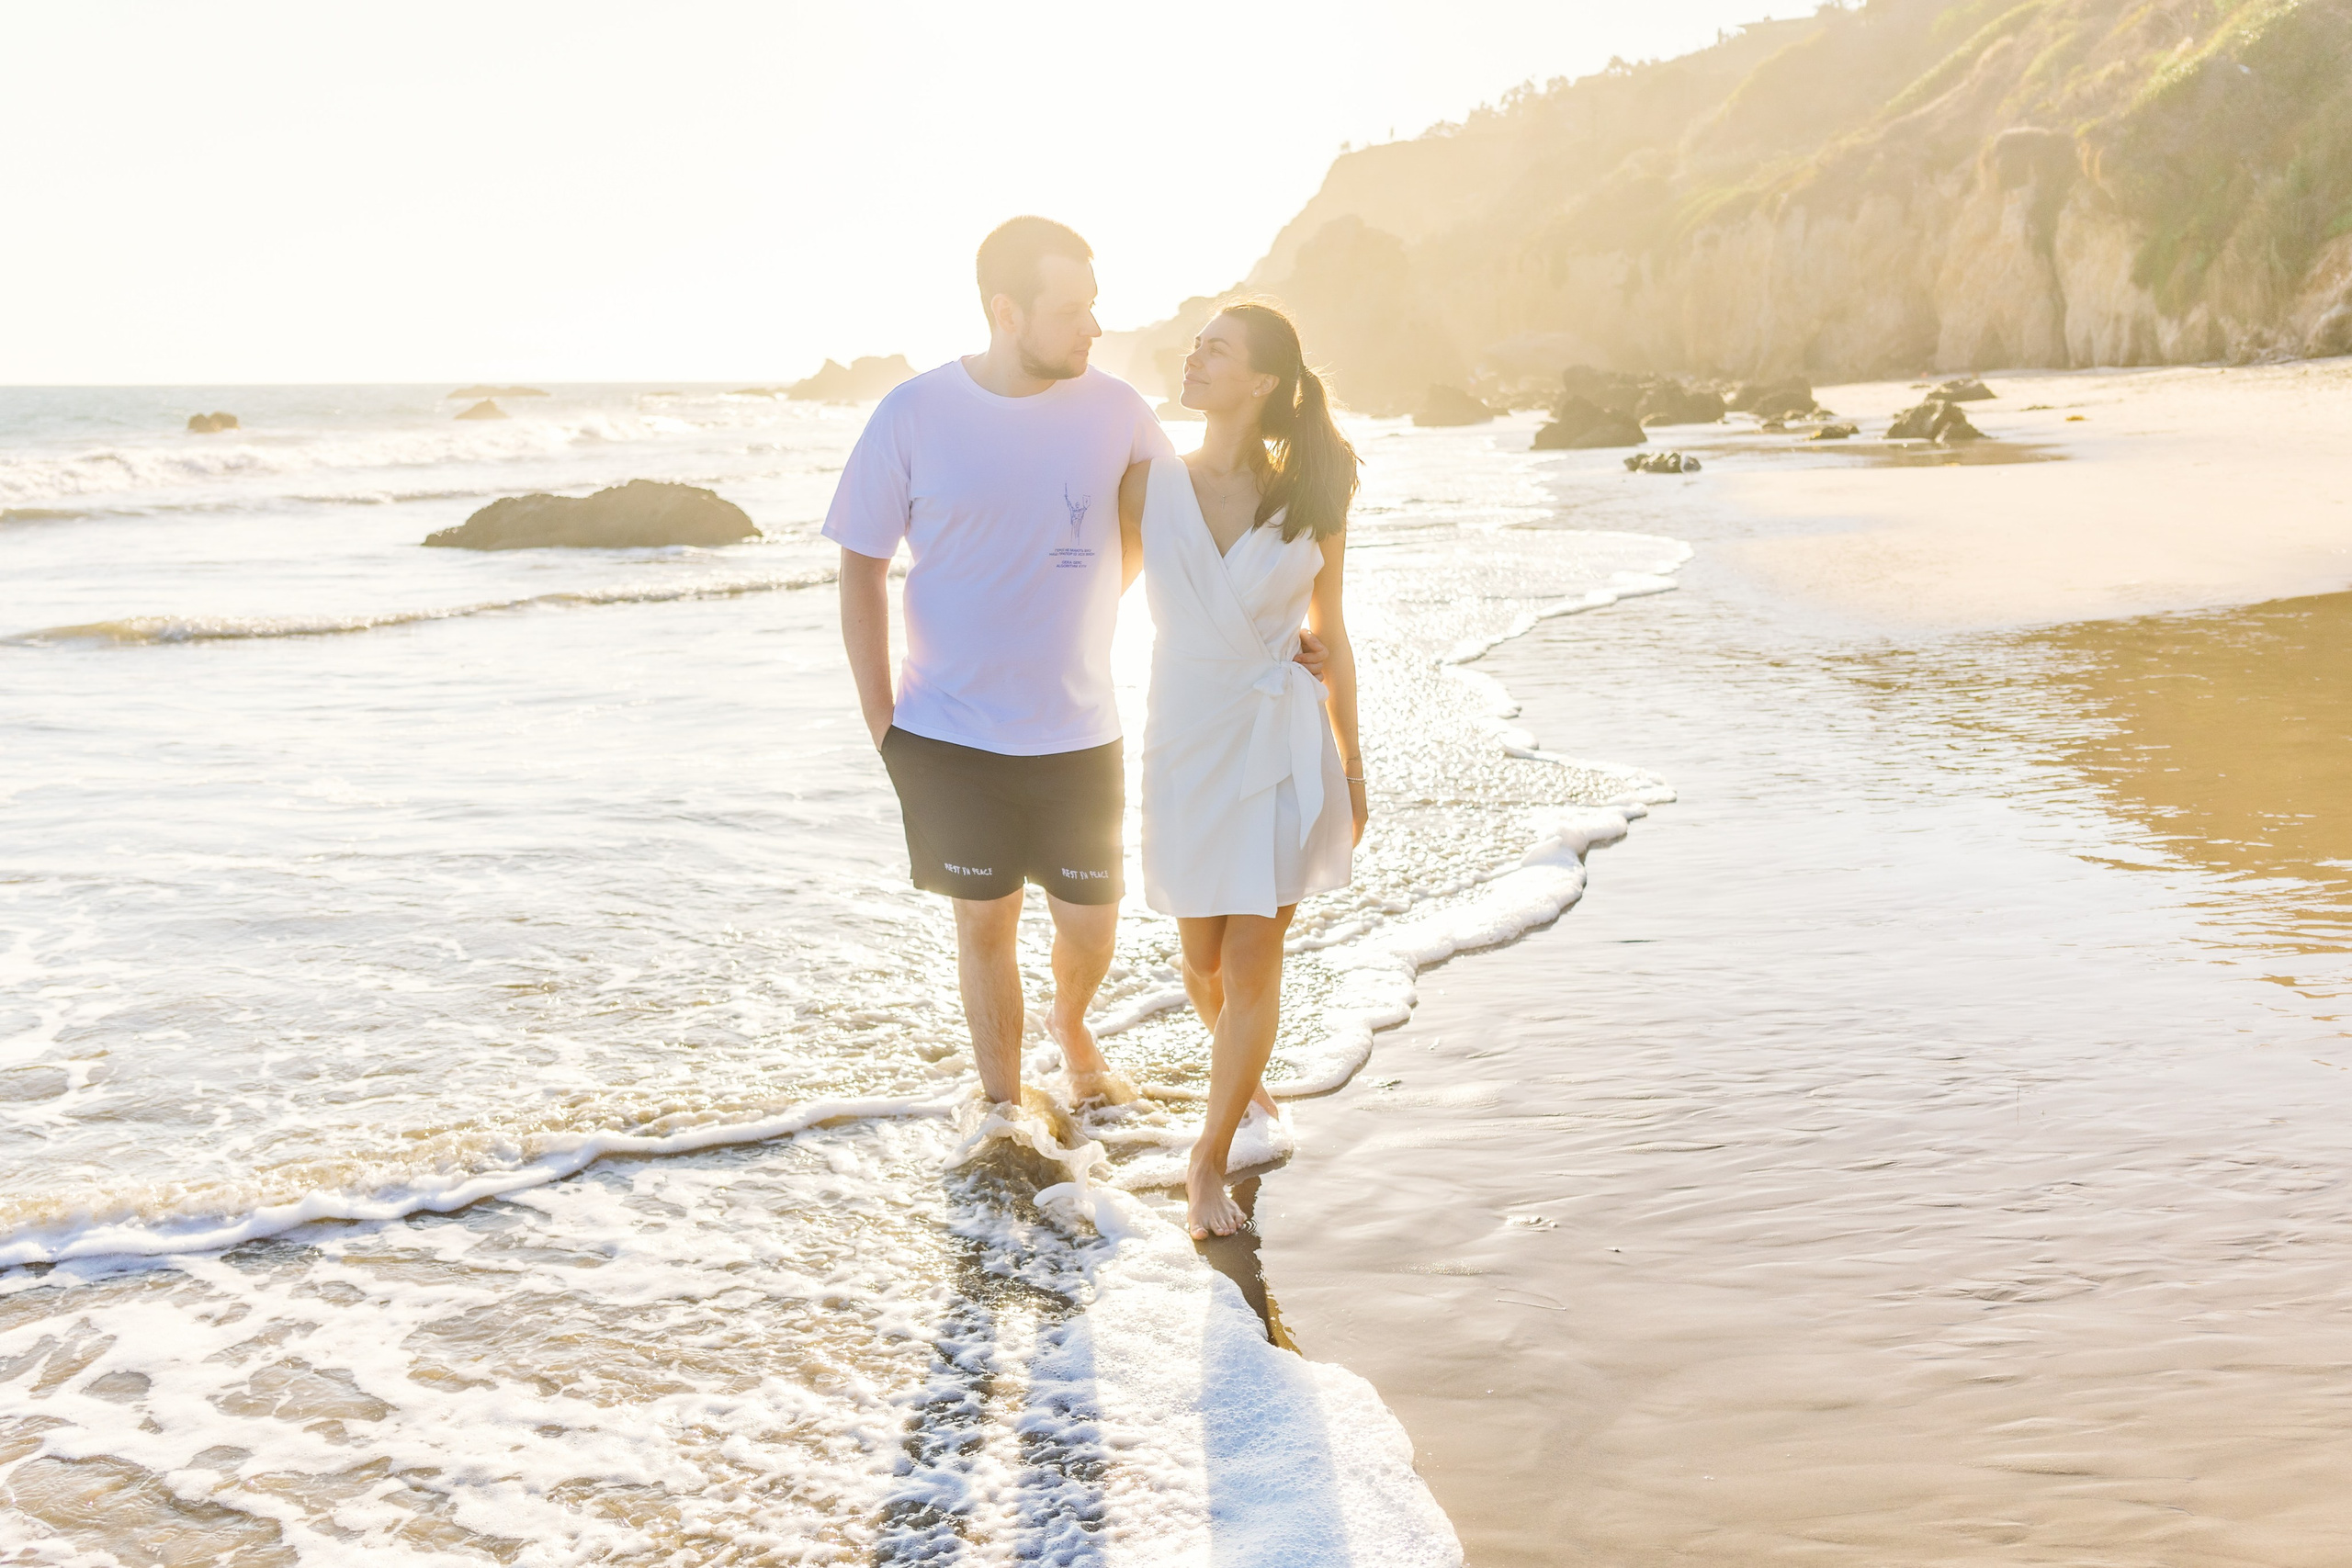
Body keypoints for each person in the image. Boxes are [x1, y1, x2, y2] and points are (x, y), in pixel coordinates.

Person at [824, 218, 1322, 1124]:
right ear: (1005, 312)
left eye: (1094, 306)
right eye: (1071, 310)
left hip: (1080, 724)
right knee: (983, 923)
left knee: (1090, 925)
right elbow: (859, 562)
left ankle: (1071, 1018)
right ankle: (1005, 1111)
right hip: (944, 727)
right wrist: (880, 720)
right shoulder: (914, 412)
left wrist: (1277, 624)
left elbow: (1201, 522)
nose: (1093, 327)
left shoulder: (1116, 412)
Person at [1115, 301, 1366, 1240]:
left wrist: (1354, 765)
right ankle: (1243, 1077)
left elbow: (1332, 636)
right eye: (1197, 344)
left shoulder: (1313, 492)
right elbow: (1091, 589)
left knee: (1256, 955)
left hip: (1281, 741)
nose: (1195, 354)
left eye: (1216, 348)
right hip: (1183, 734)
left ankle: (1205, 1157)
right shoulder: (1145, 487)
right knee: (1201, 959)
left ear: (1261, 381)